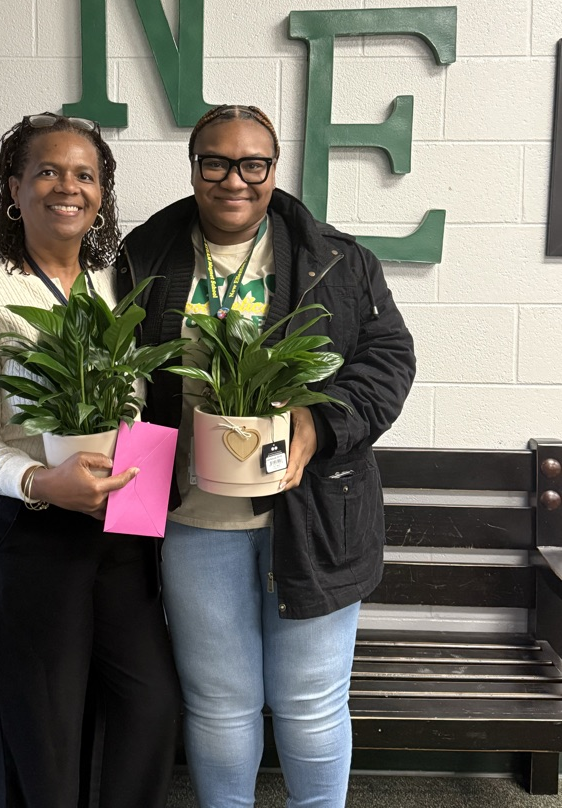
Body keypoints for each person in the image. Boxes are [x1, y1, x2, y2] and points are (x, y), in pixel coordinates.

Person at [115, 104, 416, 808]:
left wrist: (318, 423)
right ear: (193, 168)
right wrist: (129, 519)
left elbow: (388, 361)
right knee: (220, 700)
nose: (234, 179)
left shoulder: (339, 259)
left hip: (313, 516)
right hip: (195, 520)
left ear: (274, 170)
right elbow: (119, 382)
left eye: (253, 163)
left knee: (309, 702)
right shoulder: (142, 255)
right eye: (215, 162)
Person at [0, 113, 180, 808]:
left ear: (101, 194)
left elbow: (133, 405)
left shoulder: (111, 287)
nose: (66, 187)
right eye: (47, 171)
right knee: (46, 734)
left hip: (116, 532)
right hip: (31, 530)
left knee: (151, 705)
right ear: (15, 189)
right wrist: (39, 480)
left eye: (84, 174)